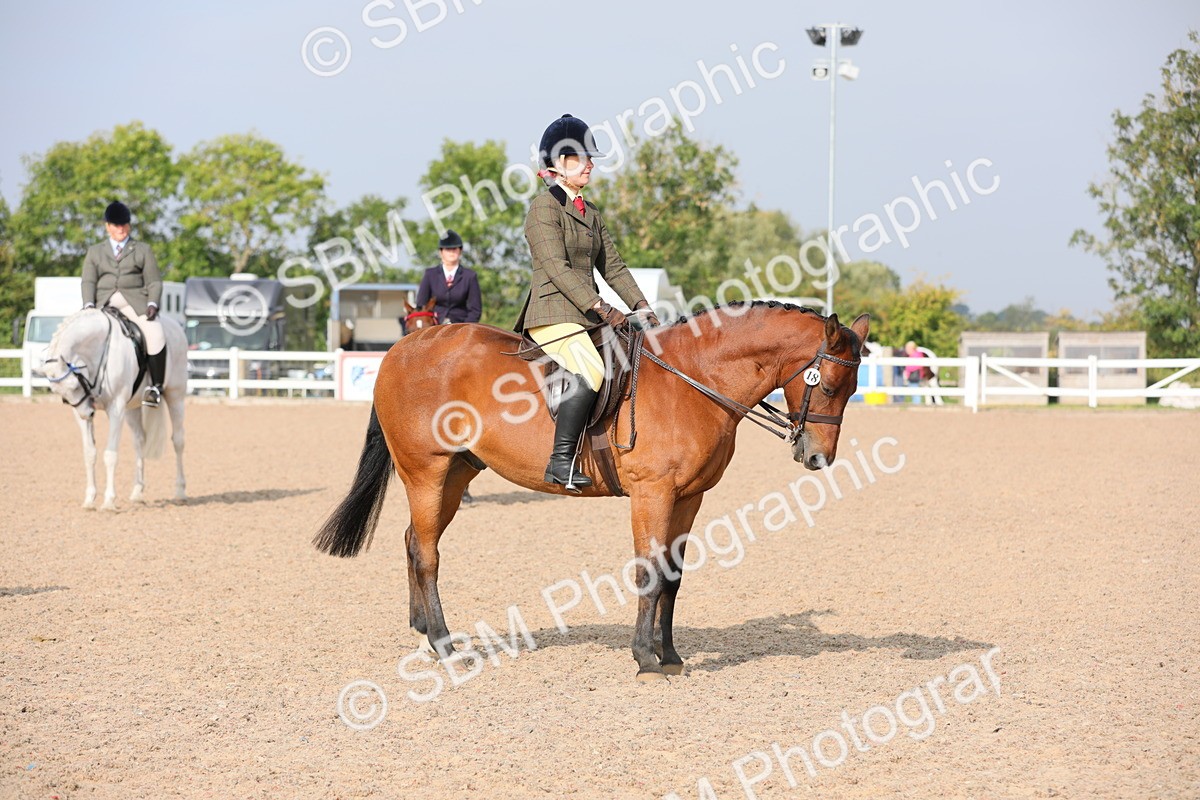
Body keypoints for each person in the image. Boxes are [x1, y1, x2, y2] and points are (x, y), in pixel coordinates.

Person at [515, 113, 660, 490]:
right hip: (552, 312)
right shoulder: (542, 209)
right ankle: (560, 462)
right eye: (583, 158)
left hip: (585, 314)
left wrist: (641, 306)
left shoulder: (590, 212)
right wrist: (602, 307)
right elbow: (557, 269)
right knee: (592, 371)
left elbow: (613, 266)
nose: (591, 165)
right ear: (560, 164)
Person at [81, 201, 167, 407]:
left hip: (134, 303)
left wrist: (153, 303)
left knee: (156, 334)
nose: (120, 229)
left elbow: (154, 281)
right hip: (103, 304)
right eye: (116, 225)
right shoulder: (95, 251)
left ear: (128, 226)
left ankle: (155, 387)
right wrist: (88, 305)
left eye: (124, 224)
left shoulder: (142, 249)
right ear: (107, 226)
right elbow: (89, 281)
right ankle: (80, 388)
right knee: (80, 337)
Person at [414, 230, 482, 325]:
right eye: (447, 249)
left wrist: (465, 328)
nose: (451, 252)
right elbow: (421, 305)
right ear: (441, 252)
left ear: (460, 251)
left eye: (455, 249)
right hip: (435, 324)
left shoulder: (470, 276)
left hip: (461, 325)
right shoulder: (430, 274)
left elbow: (475, 310)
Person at [902, 340, 928, 404]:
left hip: (915, 376)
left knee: (915, 391)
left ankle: (917, 405)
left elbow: (917, 365)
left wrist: (908, 369)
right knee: (913, 391)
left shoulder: (916, 355)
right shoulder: (913, 355)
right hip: (913, 376)